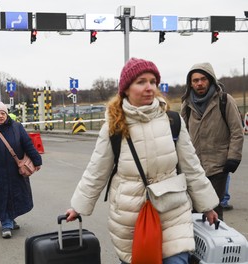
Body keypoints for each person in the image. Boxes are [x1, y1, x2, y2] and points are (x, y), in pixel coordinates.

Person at [65, 58, 219, 264]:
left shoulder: (173, 121)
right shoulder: (113, 127)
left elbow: (192, 168)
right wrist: (78, 207)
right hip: (130, 218)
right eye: (141, 82)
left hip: (173, 214)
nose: (149, 88)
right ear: (126, 89)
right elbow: (96, 172)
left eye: (153, 81)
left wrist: (208, 206)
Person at [181, 62, 243, 220]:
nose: (199, 83)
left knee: (213, 209)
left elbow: (237, 131)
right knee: (194, 210)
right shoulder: (187, 105)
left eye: (203, 79)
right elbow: (181, 135)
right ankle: (198, 244)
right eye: (195, 80)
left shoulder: (224, 100)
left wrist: (233, 158)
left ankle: (217, 242)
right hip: (194, 168)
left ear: (210, 80)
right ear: (191, 83)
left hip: (218, 167)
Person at [0, 101, 42, 239]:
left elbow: (28, 145)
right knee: (2, 197)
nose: (1, 116)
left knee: (16, 195)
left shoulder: (17, 128)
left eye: (3, 113)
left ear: (7, 114)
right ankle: (6, 223)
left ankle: (11, 217)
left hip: (16, 170)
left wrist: (37, 160)